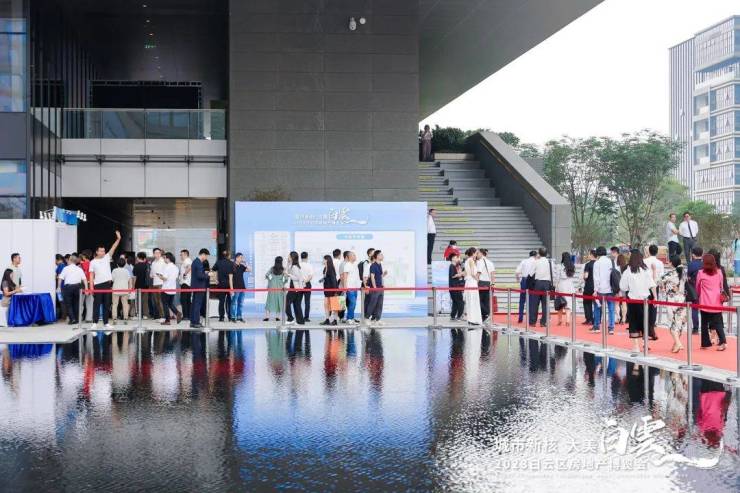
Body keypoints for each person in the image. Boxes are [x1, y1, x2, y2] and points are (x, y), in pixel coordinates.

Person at [619, 249, 656, 353]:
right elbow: (652, 285)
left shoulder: (628, 271)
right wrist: (655, 297)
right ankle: (645, 344)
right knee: (645, 321)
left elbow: (623, 286)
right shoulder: (645, 270)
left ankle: (636, 346)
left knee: (634, 322)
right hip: (645, 300)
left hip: (633, 300)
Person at [89, 230, 121, 331]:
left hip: (107, 284)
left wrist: (118, 239)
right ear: (97, 252)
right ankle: (94, 323)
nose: (103, 252)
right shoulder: (93, 262)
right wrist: (91, 288)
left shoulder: (107, 257)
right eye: (101, 251)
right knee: (97, 304)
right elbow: (91, 275)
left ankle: (106, 323)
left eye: (104, 251)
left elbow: (113, 247)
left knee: (107, 304)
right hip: (97, 285)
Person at [696, 254, 727, 351]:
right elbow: (721, 287)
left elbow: (697, 287)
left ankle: (705, 343)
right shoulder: (719, 272)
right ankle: (723, 342)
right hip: (716, 302)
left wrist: (699, 295)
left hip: (705, 301)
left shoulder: (700, 273)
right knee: (718, 323)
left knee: (704, 323)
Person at [660, 255, 687, 353]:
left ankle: (678, 343)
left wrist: (663, 288)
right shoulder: (683, 272)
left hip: (672, 300)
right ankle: (676, 344)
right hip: (682, 299)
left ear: (671, 263)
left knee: (671, 323)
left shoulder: (671, 273)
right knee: (679, 322)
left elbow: (659, 280)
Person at [591, 246, 616, 334]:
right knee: (611, 309)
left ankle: (597, 326)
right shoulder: (611, 261)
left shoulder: (597, 263)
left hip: (600, 289)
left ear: (598, 253)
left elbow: (596, 278)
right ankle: (611, 328)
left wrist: (595, 290)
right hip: (610, 289)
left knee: (597, 308)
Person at [57, 255, 87, 324]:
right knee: (76, 304)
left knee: (68, 304)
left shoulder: (66, 268)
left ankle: (72, 319)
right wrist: (86, 288)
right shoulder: (79, 269)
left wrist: (58, 287)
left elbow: (60, 278)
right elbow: (84, 279)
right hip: (78, 287)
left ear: (70, 260)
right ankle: (76, 319)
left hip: (68, 287)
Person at [644, 244, 664, 340]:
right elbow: (661, 277)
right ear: (657, 252)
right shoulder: (659, 263)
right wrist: (662, 286)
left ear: (649, 251)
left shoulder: (644, 261)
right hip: (655, 286)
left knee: (645, 307)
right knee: (654, 307)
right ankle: (651, 327)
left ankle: (646, 328)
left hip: (645, 286)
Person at [528, 247, 552, 327]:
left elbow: (531, 273)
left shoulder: (536, 261)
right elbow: (553, 274)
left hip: (538, 283)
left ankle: (532, 322)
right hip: (547, 283)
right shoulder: (550, 262)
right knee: (545, 304)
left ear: (539, 253)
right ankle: (543, 322)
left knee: (535, 303)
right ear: (546, 253)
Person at [189, 248, 210, 329]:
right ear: (203, 254)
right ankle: (196, 322)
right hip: (199, 286)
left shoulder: (195, 261)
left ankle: (192, 321)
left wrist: (204, 273)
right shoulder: (199, 263)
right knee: (197, 305)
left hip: (195, 286)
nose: (206, 258)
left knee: (194, 304)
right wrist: (208, 275)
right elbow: (200, 276)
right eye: (206, 256)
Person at [159, 252, 182, 325]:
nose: (164, 259)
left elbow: (165, 278)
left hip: (166, 288)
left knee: (165, 304)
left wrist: (159, 276)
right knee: (170, 304)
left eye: (165, 258)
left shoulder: (167, 267)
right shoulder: (176, 267)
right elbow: (176, 278)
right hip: (173, 288)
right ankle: (177, 313)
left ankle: (167, 320)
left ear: (168, 259)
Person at [515, 250, 537, 323]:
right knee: (531, 300)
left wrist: (518, 280)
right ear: (535, 256)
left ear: (529, 255)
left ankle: (520, 317)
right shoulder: (536, 262)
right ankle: (530, 318)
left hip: (524, 280)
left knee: (522, 300)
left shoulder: (524, 261)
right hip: (532, 281)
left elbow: (517, 272)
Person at [554, 251, 576, 326]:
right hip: (570, 285)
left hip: (561, 285)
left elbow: (557, 277)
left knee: (560, 302)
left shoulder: (560, 266)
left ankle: (560, 320)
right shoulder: (572, 266)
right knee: (568, 303)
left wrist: (556, 286)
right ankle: (568, 320)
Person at [213, 250, 234, 322]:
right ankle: (230, 317)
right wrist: (232, 289)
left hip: (221, 284)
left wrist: (216, 279)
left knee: (221, 301)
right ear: (229, 256)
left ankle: (221, 317)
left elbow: (213, 270)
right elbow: (231, 277)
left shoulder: (218, 262)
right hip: (228, 285)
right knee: (229, 301)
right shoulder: (231, 263)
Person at [366, 250, 387, 325]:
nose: (382, 256)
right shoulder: (373, 265)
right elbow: (372, 277)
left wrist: (383, 282)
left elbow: (380, 276)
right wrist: (374, 287)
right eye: (381, 254)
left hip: (381, 288)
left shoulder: (380, 265)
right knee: (372, 304)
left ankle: (377, 319)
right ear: (377, 256)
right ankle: (367, 318)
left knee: (379, 304)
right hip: (375, 289)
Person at [264, 256, 287, 322]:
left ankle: (267, 317)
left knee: (269, 301)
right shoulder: (283, 269)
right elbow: (286, 278)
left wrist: (271, 280)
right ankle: (277, 317)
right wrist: (282, 282)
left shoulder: (272, 268)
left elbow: (266, 275)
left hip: (272, 286)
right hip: (280, 286)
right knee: (279, 301)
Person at [463, 247, 482, 326]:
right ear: (473, 253)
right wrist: (477, 279)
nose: (476, 255)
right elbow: (472, 273)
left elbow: (466, 273)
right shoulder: (470, 260)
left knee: (471, 300)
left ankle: (472, 319)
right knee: (473, 300)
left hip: (470, 282)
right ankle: (472, 319)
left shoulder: (468, 260)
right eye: (476, 253)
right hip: (472, 282)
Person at [687, 246, 704, 334]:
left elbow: (688, 276)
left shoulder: (691, 264)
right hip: (704, 289)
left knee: (694, 309)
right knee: (706, 309)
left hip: (694, 289)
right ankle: (707, 327)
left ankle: (696, 328)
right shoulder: (705, 264)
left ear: (693, 255)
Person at [111, 257, 132, 324]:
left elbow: (112, 279)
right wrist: (130, 289)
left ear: (117, 264)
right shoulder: (126, 271)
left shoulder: (114, 270)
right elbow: (130, 280)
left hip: (116, 289)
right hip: (125, 289)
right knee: (125, 304)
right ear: (125, 264)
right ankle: (125, 318)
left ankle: (114, 319)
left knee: (115, 304)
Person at [285, 251, 305, 325]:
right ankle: (300, 321)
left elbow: (297, 277)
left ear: (292, 257)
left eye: (289, 256)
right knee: (297, 305)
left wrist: (289, 275)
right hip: (296, 288)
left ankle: (290, 319)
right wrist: (288, 264)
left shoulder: (294, 267)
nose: (288, 257)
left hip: (295, 288)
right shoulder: (293, 266)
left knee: (287, 303)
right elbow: (287, 271)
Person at [341, 251, 360, 324]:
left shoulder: (355, 265)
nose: (355, 256)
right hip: (349, 287)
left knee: (353, 304)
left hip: (355, 287)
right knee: (352, 302)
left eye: (355, 255)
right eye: (353, 255)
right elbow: (345, 276)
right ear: (349, 257)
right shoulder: (347, 265)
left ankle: (351, 318)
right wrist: (345, 287)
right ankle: (349, 318)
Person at [231, 253, 250, 323]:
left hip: (242, 287)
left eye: (242, 258)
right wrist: (231, 289)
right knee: (234, 303)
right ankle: (233, 317)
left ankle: (239, 316)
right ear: (236, 258)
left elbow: (249, 270)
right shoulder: (232, 266)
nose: (242, 259)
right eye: (241, 257)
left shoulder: (241, 266)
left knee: (241, 303)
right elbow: (230, 278)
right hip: (235, 287)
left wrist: (246, 263)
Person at [476, 248, 495, 324]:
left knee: (478, 300)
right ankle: (485, 316)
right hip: (488, 283)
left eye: (478, 253)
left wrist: (475, 282)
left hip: (481, 283)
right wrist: (493, 284)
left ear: (481, 253)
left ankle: (487, 313)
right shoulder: (490, 262)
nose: (477, 255)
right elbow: (493, 274)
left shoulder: (480, 262)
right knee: (486, 301)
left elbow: (478, 273)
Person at [321, 255, 340, 326]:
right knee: (326, 305)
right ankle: (327, 319)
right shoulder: (325, 268)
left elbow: (334, 280)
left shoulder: (331, 268)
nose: (322, 261)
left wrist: (336, 291)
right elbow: (326, 278)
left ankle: (335, 320)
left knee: (334, 305)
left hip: (332, 289)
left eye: (323, 259)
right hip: (326, 289)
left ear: (327, 260)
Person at [133, 252, 151, 318]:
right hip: (146, 285)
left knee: (138, 300)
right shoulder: (147, 265)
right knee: (145, 301)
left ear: (138, 258)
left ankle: (139, 314)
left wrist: (133, 286)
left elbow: (135, 277)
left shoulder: (136, 266)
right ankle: (145, 314)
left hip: (138, 285)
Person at [149, 247, 165, 320]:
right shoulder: (153, 263)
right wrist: (152, 275)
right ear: (153, 254)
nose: (157, 254)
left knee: (161, 300)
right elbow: (151, 274)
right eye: (156, 253)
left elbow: (166, 272)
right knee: (156, 301)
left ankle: (163, 316)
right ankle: (159, 316)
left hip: (161, 283)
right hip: (154, 283)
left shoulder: (163, 261)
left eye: (159, 253)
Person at [448, 253, 465, 321]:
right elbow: (452, 276)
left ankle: (453, 316)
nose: (457, 259)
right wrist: (460, 274)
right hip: (455, 287)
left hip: (455, 287)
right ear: (452, 259)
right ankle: (459, 316)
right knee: (460, 302)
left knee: (455, 302)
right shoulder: (452, 266)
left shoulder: (455, 266)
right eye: (456, 257)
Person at [581, 249, 596, 325]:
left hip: (589, 286)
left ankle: (589, 319)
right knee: (597, 304)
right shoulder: (598, 264)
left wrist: (583, 277)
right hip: (597, 286)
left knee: (587, 302)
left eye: (589, 254)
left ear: (591, 255)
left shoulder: (588, 264)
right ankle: (596, 319)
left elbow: (586, 276)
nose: (588, 255)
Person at [79, 250, 93, 322]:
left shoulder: (80, 265)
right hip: (90, 284)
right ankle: (89, 318)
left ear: (84, 256)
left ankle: (79, 317)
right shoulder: (92, 264)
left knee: (80, 302)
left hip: (82, 284)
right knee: (90, 302)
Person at [300, 252, 313, 322]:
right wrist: (305, 281)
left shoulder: (298, 265)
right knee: (307, 302)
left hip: (299, 284)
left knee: (298, 302)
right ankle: (306, 317)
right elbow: (310, 276)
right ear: (307, 257)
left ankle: (299, 316)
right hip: (307, 284)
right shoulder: (309, 265)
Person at [179, 249, 192, 321]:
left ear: (186, 254)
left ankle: (186, 315)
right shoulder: (186, 261)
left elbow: (189, 267)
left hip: (185, 283)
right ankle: (188, 315)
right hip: (186, 283)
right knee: (187, 299)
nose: (181, 256)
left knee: (184, 299)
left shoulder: (187, 260)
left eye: (182, 255)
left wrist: (184, 274)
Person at [55, 254, 66, 319]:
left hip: (60, 287)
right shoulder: (64, 265)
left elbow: (59, 276)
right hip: (63, 286)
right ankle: (63, 316)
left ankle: (63, 316)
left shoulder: (60, 266)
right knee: (62, 301)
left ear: (57, 260)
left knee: (61, 301)